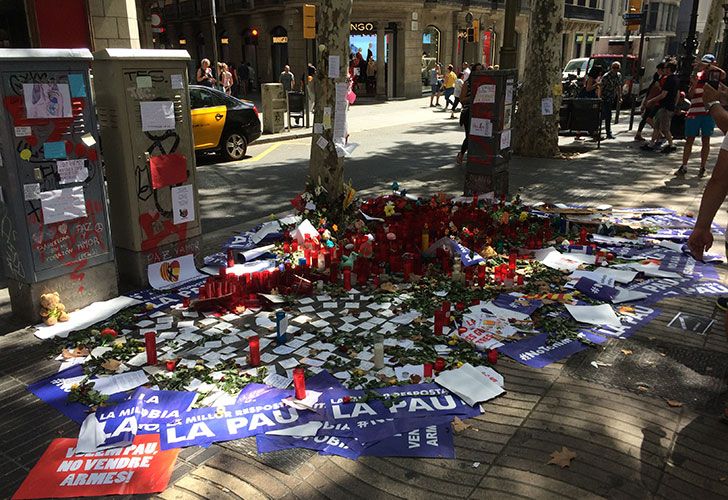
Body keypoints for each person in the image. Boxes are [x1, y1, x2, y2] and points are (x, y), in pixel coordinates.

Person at [676, 54, 725, 177]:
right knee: (690, 139)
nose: (705, 66)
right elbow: (691, 95)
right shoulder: (697, 76)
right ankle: (684, 165)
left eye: (707, 64)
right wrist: (695, 83)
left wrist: (708, 67)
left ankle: (703, 167)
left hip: (708, 113)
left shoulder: (715, 76)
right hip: (694, 112)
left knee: (706, 139)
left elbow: (723, 74)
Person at [643, 61, 679, 153]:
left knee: (665, 128)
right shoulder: (675, 79)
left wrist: (651, 100)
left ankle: (671, 145)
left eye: (666, 68)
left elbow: (663, 94)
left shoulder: (670, 80)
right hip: (665, 106)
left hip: (666, 106)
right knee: (657, 126)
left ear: (669, 69)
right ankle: (652, 143)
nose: (664, 70)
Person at [455, 63, 484, 165]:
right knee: (470, 136)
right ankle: (462, 154)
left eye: (481, 70)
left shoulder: (485, 84)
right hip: (469, 113)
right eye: (477, 70)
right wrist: (474, 97)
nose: (480, 72)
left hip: (482, 113)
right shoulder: (467, 84)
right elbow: (462, 99)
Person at [635, 62, 665, 141]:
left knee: (646, 118)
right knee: (649, 118)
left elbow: (649, 91)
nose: (658, 71)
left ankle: (639, 133)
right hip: (653, 101)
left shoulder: (658, 78)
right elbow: (653, 91)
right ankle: (659, 133)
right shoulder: (658, 79)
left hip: (651, 100)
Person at [598, 61, 623, 140]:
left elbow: (618, 87)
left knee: (606, 115)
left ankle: (605, 132)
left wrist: (619, 97)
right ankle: (606, 133)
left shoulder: (618, 76)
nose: (615, 69)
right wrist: (599, 98)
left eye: (617, 68)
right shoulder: (606, 76)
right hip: (604, 98)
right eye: (614, 68)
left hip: (611, 97)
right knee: (606, 115)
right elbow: (601, 87)